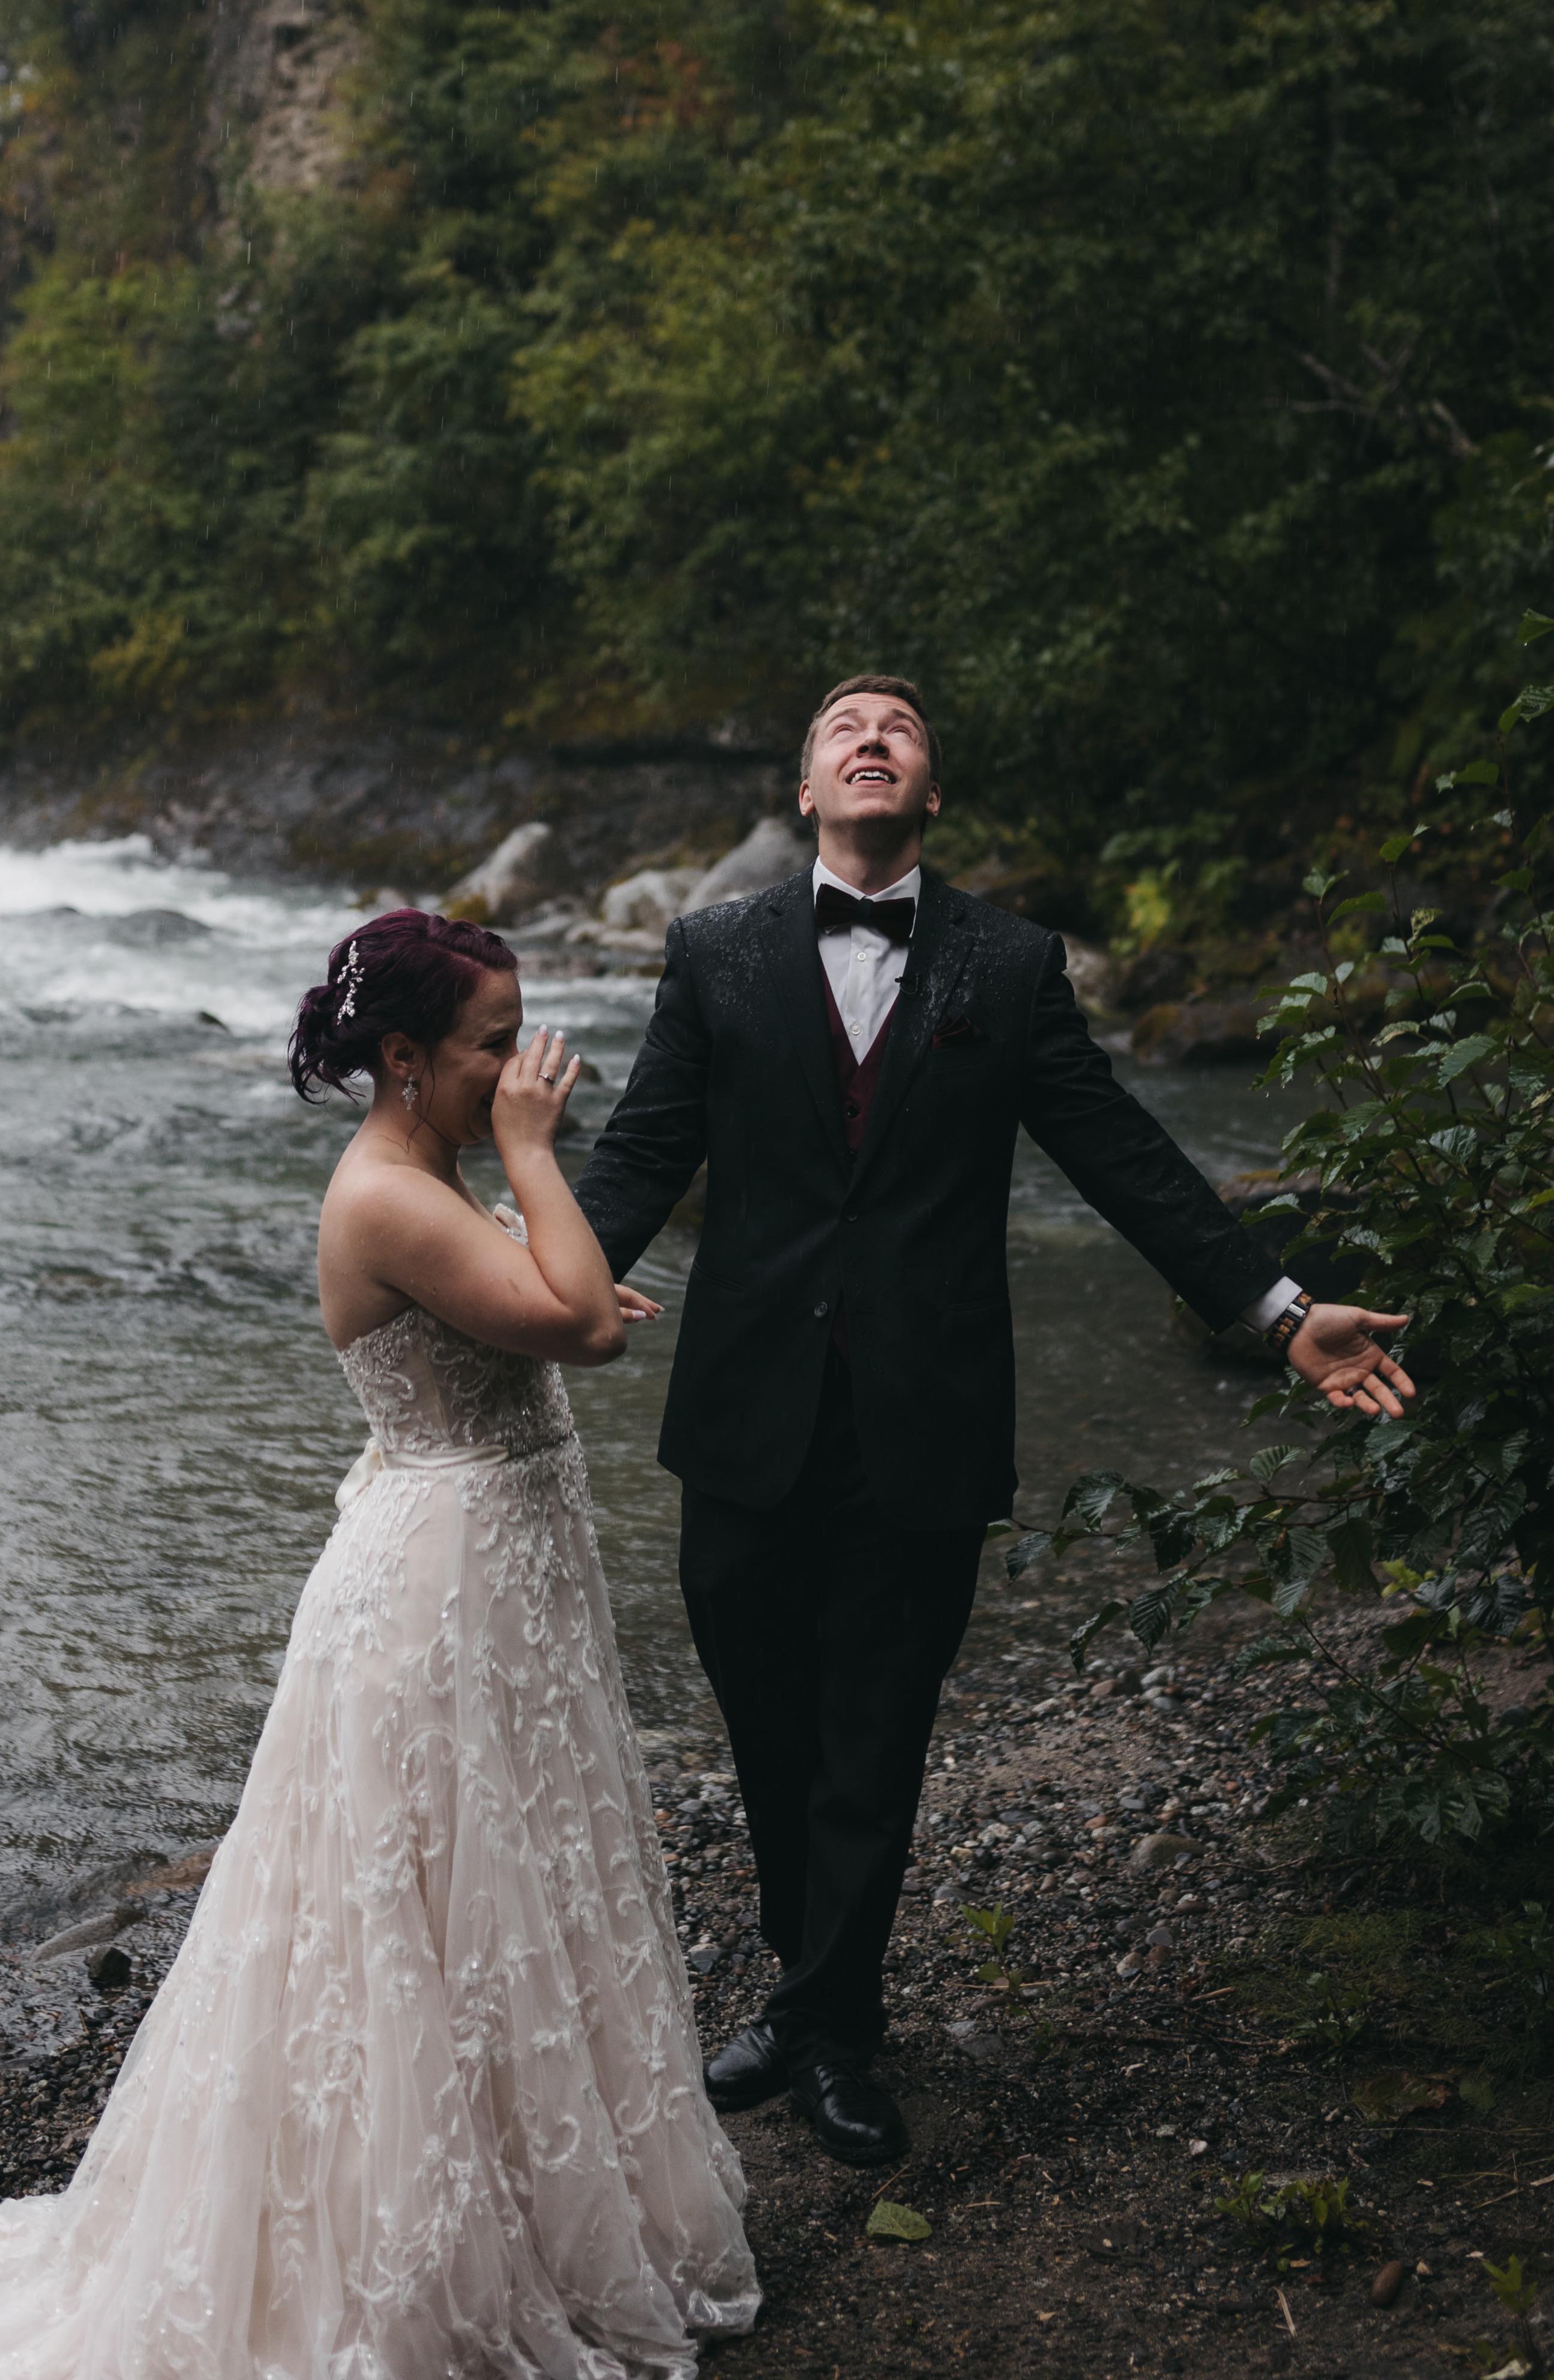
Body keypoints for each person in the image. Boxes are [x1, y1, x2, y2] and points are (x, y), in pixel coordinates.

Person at [0, 908, 758, 2380]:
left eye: (518, 1044)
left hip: (491, 1578)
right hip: (435, 1598)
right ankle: (403, 2264)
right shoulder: (389, 1191)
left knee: (506, 1897)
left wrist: (524, 1250)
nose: (523, 1068)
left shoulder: (421, 1172)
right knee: (419, 1925)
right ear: (405, 1060)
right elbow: (580, 1330)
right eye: (494, 1048)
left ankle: (524, 2208)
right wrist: (535, 1166)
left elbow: (538, 1304)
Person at [575, 674, 1416, 2169]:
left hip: (925, 1420)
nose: (871, 738)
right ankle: (807, 1971)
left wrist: (1282, 1313)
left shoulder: (1010, 964)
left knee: (877, 1734)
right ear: (805, 790)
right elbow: (641, 1153)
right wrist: (525, 1296)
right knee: (767, 1722)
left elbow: (1123, 1155)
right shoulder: (712, 950)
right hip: (745, 1415)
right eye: (844, 729)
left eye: (897, 729)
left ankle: (831, 2030)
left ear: (931, 795)